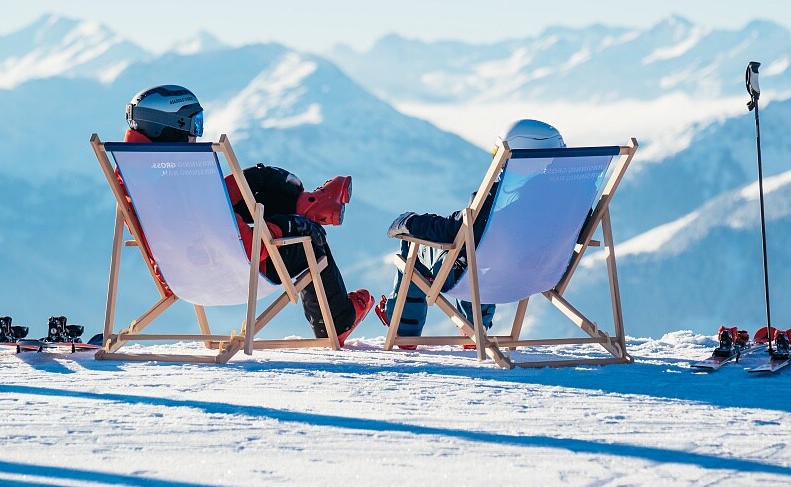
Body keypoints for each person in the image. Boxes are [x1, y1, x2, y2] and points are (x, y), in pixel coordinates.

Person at [123, 84, 374, 344]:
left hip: (178, 272)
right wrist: (285, 227)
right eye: (194, 125)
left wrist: (234, 189)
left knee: (259, 181)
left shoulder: (134, 170)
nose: (196, 135)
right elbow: (245, 247)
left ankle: (311, 202)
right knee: (310, 236)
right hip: (230, 270)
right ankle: (338, 319)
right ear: (171, 127)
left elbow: (193, 217)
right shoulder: (186, 173)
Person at [375, 119, 567, 347]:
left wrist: (412, 222)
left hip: (486, 279)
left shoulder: (498, 200)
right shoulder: (571, 202)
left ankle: (404, 329)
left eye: (499, 154)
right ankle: (474, 326)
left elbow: (454, 230)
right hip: (541, 275)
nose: (499, 163)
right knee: (481, 255)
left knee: (420, 248)